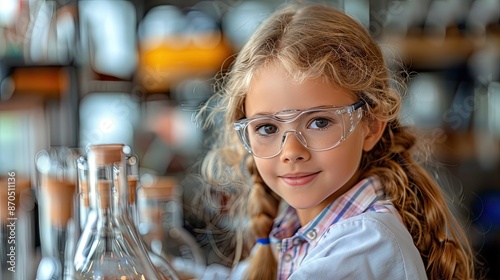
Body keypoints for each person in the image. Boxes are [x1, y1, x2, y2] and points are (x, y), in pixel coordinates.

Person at [196, 2, 476, 279]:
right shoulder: (295, 226)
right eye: (267, 128)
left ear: (371, 126)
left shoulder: (367, 243)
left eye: (320, 122)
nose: (291, 152)